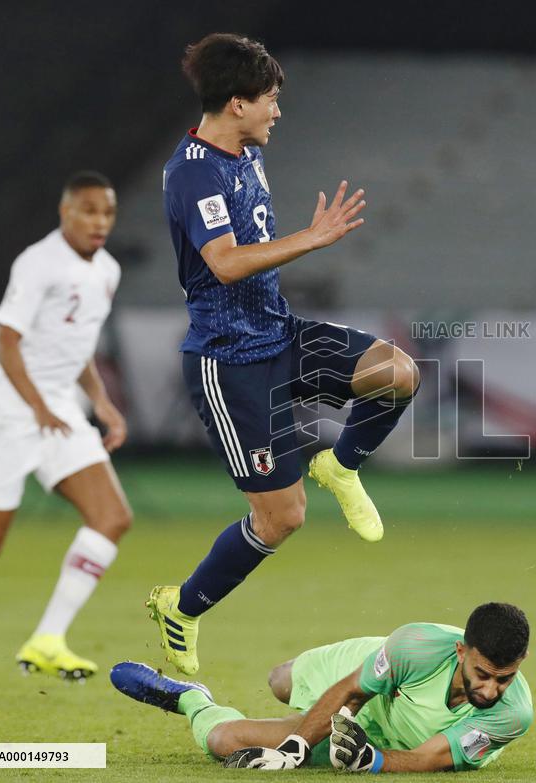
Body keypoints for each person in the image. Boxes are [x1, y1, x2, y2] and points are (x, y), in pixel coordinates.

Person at [150, 32, 419, 676]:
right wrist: (312, 238)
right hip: (228, 362)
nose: (277, 111)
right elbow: (223, 264)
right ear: (237, 103)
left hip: (281, 333)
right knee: (281, 518)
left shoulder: (243, 152)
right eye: (270, 99)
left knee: (397, 374)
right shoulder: (195, 172)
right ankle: (181, 607)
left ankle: (341, 466)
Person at [0, 171, 132, 680]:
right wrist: (38, 406)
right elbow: (6, 341)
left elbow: (79, 349)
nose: (100, 222)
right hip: (8, 410)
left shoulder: (107, 271)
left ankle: (49, 638)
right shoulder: (39, 263)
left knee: (111, 517)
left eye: (108, 212)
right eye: (89, 210)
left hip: (59, 409)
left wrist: (102, 404)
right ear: (65, 212)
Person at [112, 603, 532, 772]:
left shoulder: (513, 713)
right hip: (374, 688)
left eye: (504, 677)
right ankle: (300, 730)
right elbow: (352, 692)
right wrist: (293, 750)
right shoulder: (416, 646)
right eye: (483, 673)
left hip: (395, 739)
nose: (492, 689)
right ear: (461, 650)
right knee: (280, 680)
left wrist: (369, 760)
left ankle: (190, 699)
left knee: (223, 739)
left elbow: (430, 757)